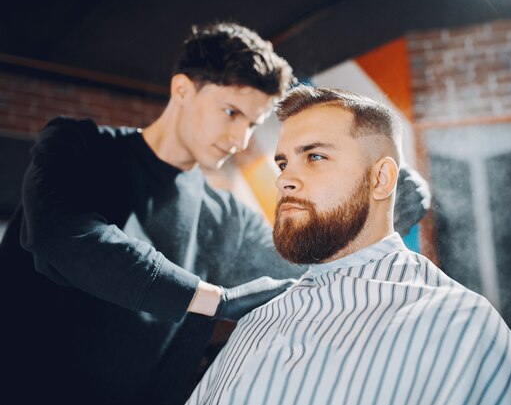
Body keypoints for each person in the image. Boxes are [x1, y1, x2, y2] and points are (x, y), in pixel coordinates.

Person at [0, 24, 430, 405]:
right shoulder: (77, 147)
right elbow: (61, 236)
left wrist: (372, 198)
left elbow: (308, 262)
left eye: (252, 124)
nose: (240, 140)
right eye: (231, 113)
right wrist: (213, 300)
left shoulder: (227, 217)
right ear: (183, 90)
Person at [185, 86, 511, 405]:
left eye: (315, 156)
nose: (285, 179)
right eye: (284, 163)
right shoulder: (257, 322)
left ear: (382, 179)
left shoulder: (453, 321)